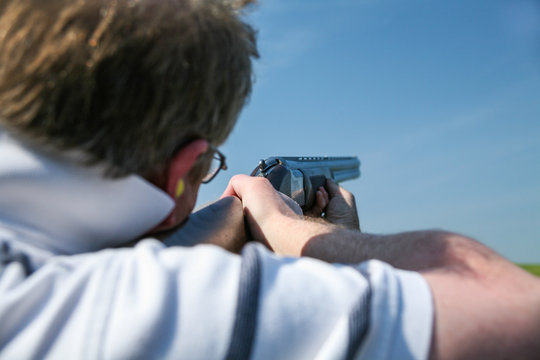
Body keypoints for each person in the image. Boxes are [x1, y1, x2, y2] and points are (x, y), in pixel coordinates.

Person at [0, 0, 538, 359]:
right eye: (208, 166)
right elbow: (516, 311)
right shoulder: (109, 307)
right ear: (185, 171)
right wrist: (299, 231)